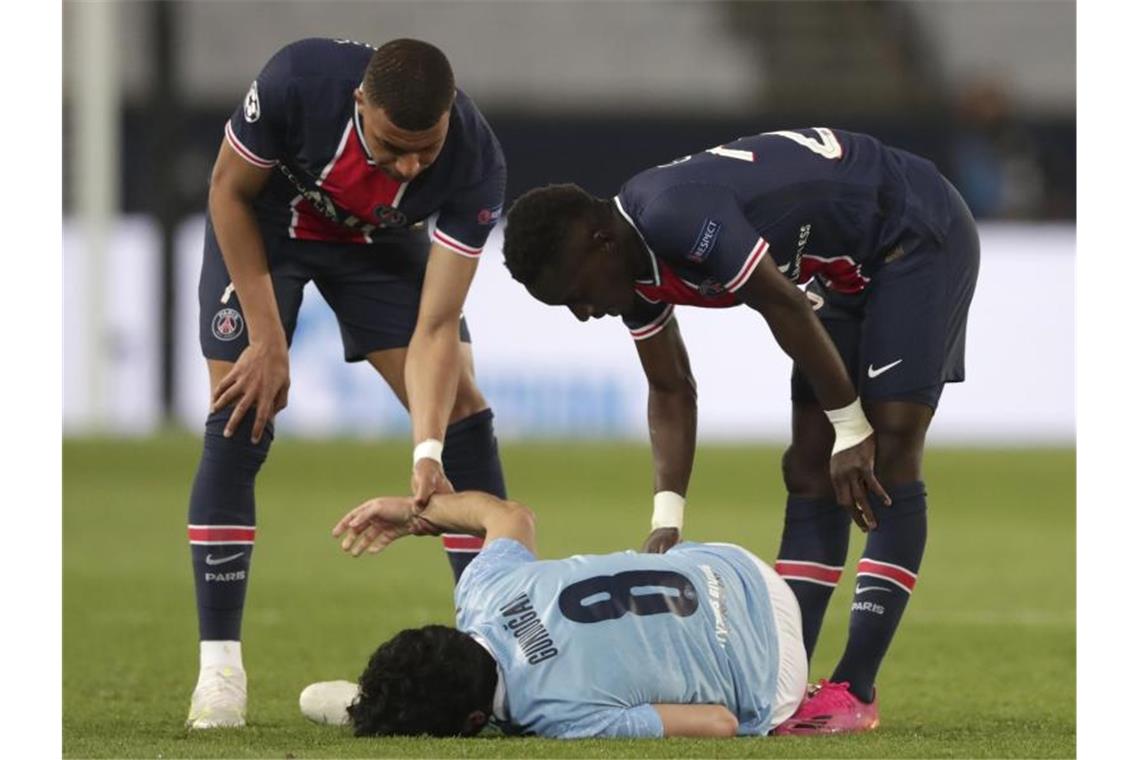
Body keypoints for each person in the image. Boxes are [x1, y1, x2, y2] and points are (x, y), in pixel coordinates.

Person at [500, 128, 980, 733]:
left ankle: (855, 690)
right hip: (844, 268)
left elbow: (781, 304)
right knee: (808, 466)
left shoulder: (674, 215)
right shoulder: (628, 271)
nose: (582, 311)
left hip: (912, 233)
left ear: (602, 242)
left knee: (885, 450)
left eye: (576, 292)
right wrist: (666, 517)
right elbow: (672, 388)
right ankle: (784, 681)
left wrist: (851, 427)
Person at [187, 37, 508, 729]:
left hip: (377, 249)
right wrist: (269, 340)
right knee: (243, 409)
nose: (411, 165)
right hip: (268, 230)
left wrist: (427, 452)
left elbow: (437, 326)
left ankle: (496, 653)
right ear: (360, 103)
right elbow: (228, 193)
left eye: (426, 147)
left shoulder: (475, 159)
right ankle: (220, 670)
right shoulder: (297, 81)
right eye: (393, 147)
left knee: (460, 410)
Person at [300, 489, 807, 738]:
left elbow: (718, 722)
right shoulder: (483, 590)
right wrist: (417, 513)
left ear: (476, 721)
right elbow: (508, 515)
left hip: (774, 671)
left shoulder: (556, 714)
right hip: (734, 565)